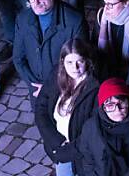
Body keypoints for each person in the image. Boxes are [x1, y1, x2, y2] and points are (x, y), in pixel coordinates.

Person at [35, 39, 101, 176]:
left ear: (87, 61)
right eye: (69, 62)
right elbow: (41, 108)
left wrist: (67, 150)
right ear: (62, 62)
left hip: (82, 154)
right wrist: (56, 142)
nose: (74, 68)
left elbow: (95, 131)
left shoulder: (95, 87)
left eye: (79, 62)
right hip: (58, 147)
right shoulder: (56, 75)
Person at [13, 0, 85, 98]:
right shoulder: (22, 19)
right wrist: (33, 84)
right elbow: (18, 58)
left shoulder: (75, 21)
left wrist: (50, 88)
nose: (35, 3)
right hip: (35, 89)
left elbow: (79, 65)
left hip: (64, 89)